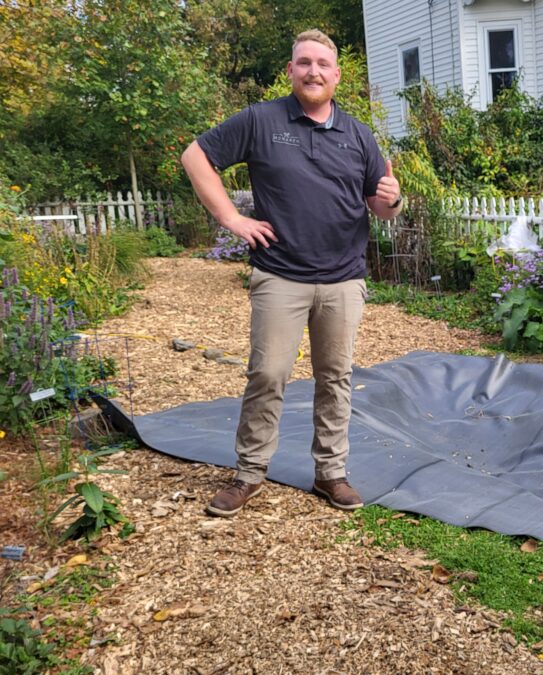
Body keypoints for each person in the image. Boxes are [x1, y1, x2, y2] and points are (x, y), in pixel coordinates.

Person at [181, 29, 401, 517]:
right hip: (281, 275)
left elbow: (378, 204)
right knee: (268, 373)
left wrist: (392, 200)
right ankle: (248, 473)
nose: (314, 71)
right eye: (304, 63)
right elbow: (195, 156)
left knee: (336, 377)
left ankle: (331, 474)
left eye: (323, 64)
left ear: (337, 75)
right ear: (291, 70)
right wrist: (231, 218)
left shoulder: (358, 133)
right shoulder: (261, 120)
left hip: (343, 278)